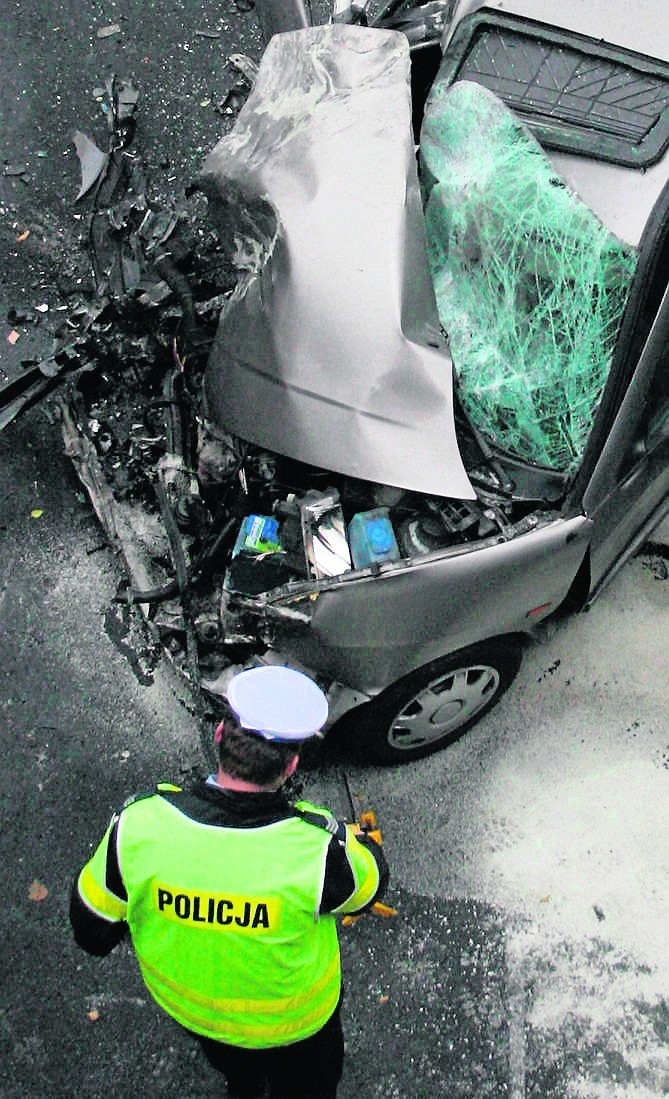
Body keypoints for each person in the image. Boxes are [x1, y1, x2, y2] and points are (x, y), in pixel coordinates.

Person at [70, 665, 389, 1099]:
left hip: (197, 1016)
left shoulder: (137, 827)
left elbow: (92, 934)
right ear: (291, 764)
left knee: (239, 1075)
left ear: (219, 735)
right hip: (298, 1029)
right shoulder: (319, 850)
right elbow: (370, 886)